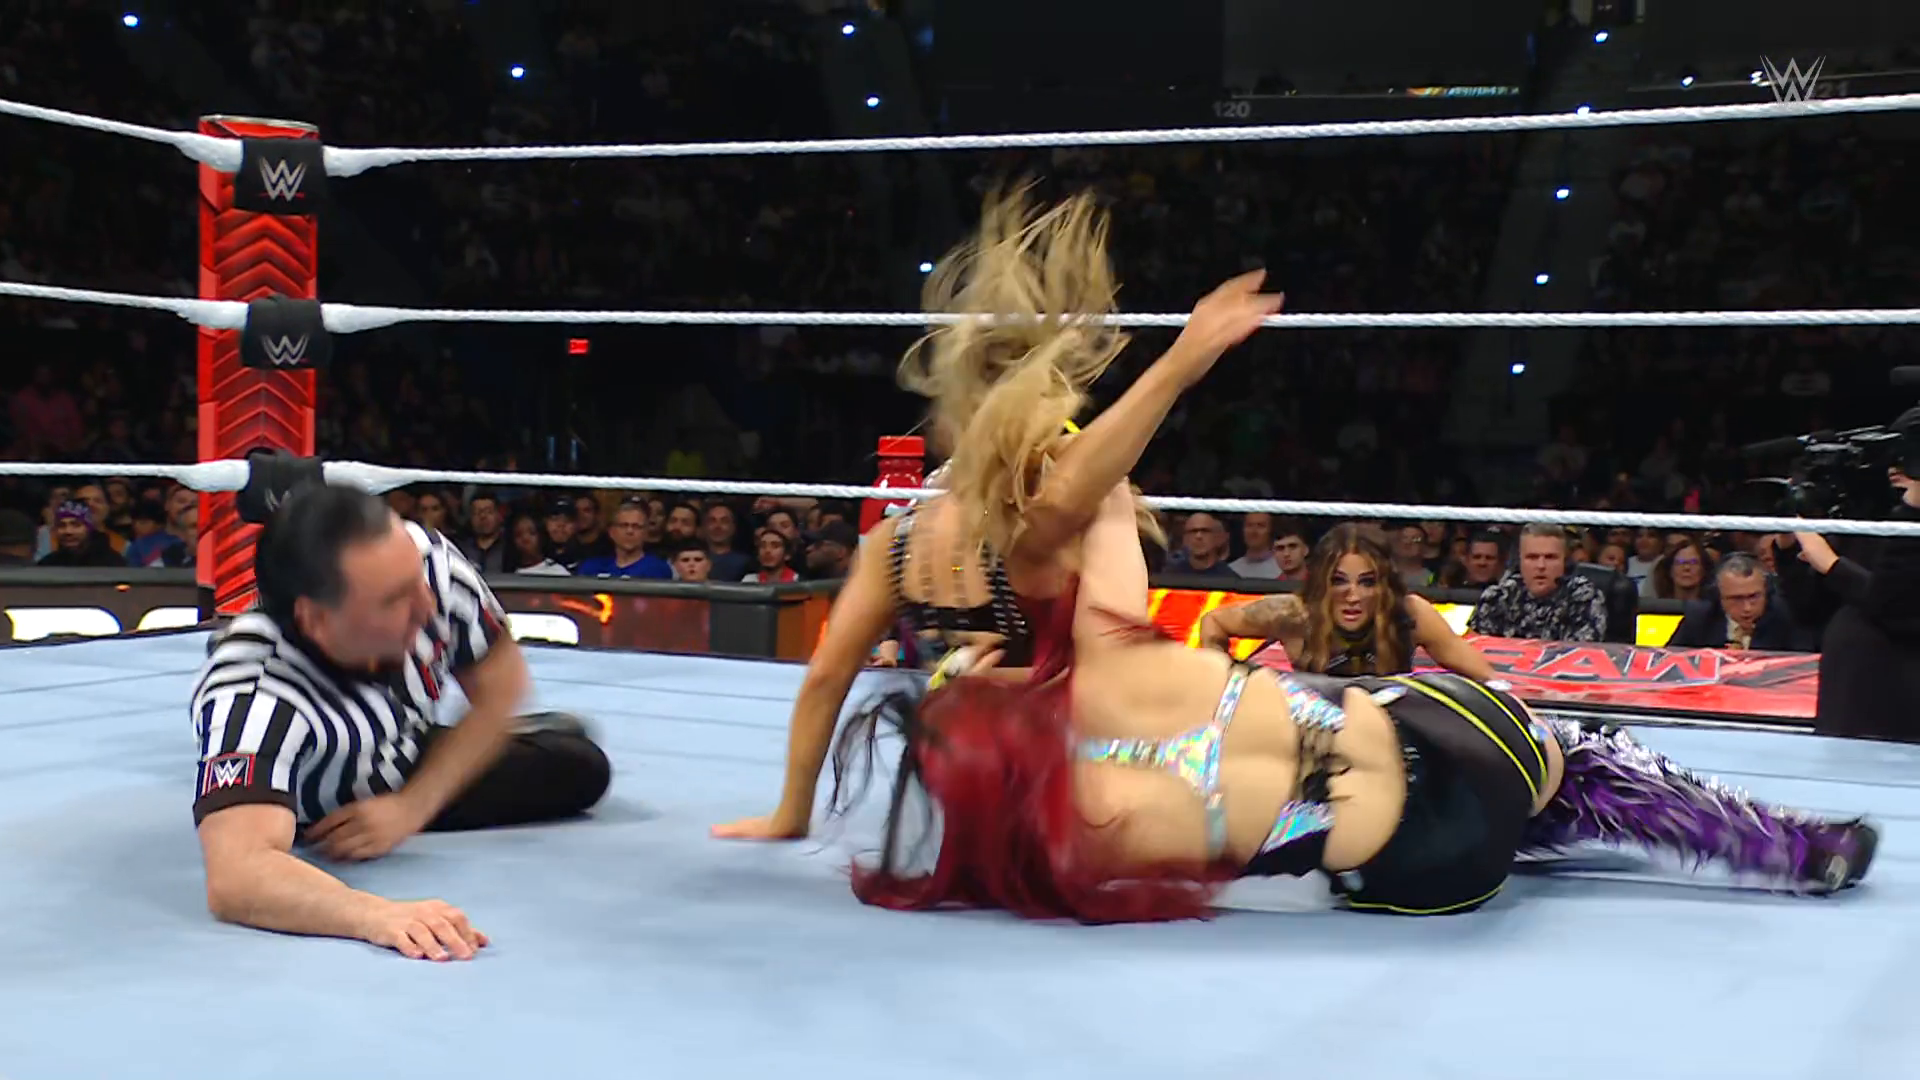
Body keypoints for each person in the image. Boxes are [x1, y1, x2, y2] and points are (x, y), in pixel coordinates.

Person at [825, 485, 1878, 923]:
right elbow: (1103, 503)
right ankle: (1785, 846)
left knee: (1498, 764)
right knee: (1573, 754)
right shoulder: (1122, 663)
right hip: (1448, 746)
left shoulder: (1072, 850)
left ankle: (1570, 805)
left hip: (1422, 873)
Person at [712, 185, 1283, 841]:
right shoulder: (1074, 511)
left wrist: (791, 812)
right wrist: (1180, 363)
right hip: (1073, 765)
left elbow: (825, 678)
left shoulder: (897, 539)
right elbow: (1116, 664)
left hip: (962, 761)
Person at [192, 484, 612, 960]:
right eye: (393, 600)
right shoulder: (255, 691)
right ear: (317, 619)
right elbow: (238, 876)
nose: (426, 606)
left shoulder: (429, 564)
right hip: (331, 807)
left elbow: (503, 682)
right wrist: (374, 914)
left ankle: (511, 737)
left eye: (414, 581)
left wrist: (413, 806)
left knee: (580, 766)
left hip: (404, 751)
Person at [1197, 523, 1495, 680]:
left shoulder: (1408, 613)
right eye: (1339, 581)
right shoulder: (1293, 614)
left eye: (1367, 582)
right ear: (1322, 583)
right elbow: (1214, 621)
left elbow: (1487, 677)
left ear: (1384, 585)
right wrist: (1222, 686)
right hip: (1316, 732)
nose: (1353, 596)